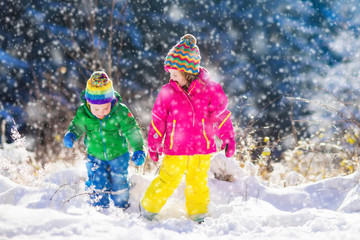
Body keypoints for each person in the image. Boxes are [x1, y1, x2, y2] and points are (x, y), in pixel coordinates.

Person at [140, 34, 236, 223]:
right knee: (168, 179)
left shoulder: (210, 90)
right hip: (175, 148)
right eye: (170, 74)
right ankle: (148, 208)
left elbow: (220, 115)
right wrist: (154, 143)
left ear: (188, 72)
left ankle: (198, 213)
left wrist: (227, 137)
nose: (171, 77)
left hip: (201, 147)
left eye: (175, 74)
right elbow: (158, 120)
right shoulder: (168, 92)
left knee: (198, 182)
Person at [64, 71, 145, 209]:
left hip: (119, 155)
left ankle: (121, 206)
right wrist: (72, 134)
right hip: (95, 156)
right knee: (97, 182)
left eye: (106, 108)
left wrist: (138, 148)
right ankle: (99, 209)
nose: (101, 112)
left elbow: (132, 130)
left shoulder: (120, 111)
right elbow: (76, 126)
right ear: (88, 102)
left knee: (119, 181)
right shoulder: (84, 113)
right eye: (97, 109)